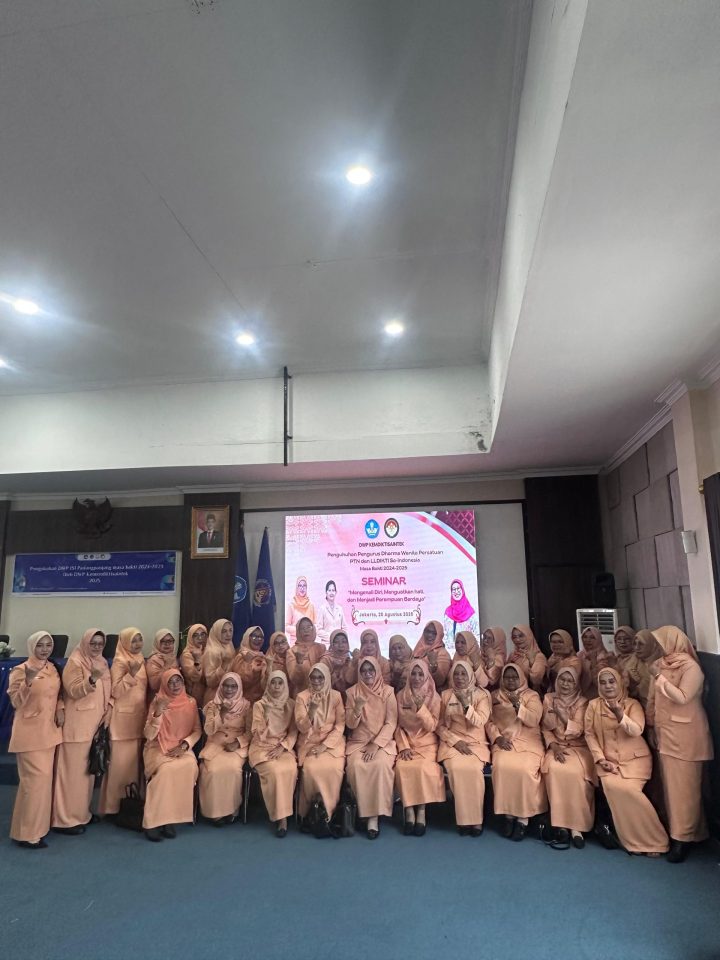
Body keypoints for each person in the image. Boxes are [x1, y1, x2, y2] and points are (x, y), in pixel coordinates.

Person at [584, 667, 668, 857]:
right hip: (608, 762)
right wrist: (600, 759)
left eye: (611, 682)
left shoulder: (632, 704)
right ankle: (633, 841)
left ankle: (657, 841)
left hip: (635, 761)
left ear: (620, 683)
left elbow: (636, 730)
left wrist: (620, 714)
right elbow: (589, 734)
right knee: (614, 787)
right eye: (603, 683)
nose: (607, 686)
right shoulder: (593, 705)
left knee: (630, 791)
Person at [647, 625, 714, 863]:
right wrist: (651, 725)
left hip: (687, 738)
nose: (658, 648)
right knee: (672, 789)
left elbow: (683, 697)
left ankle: (682, 839)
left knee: (686, 790)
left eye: (661, 643)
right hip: (665, 735)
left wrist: (659, 677)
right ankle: (690, 832)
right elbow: (652, 699)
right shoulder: (660, 664)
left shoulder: (691, 668)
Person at [52, 629, 111, 835]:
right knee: (71, 776)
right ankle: (64, 820)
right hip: (76, 726)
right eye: (93, 643)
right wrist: (92, 680)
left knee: (86, 776)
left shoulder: (102, 662)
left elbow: (108, 690)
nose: (96, 647)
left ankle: (81, 814)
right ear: (85, 643)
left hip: (93, 725)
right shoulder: (75, 662)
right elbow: (73, 690)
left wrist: (107, 711)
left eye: (100, 644)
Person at [8, 632, 64, 848]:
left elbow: (57, 694)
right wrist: (28, 681)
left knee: (43, 784)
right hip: (30, 735)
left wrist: (60, 708)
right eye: (40, 645)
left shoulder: (52, 668)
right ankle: (26, 833)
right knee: (33, 784)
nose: (45, 649)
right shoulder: (20, 670)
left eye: (48, 645)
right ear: (32, 646)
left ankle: (39, 828)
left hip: (49, 733)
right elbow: (16, 702)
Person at [489, 663, 547, 841]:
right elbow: (488, 722)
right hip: (504, 741)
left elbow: (533, 719)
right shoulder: (495, 695)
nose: (511, 681)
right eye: (507, 677)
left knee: (524, 770)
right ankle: (508, 816)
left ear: (521, 678)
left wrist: (517, 705)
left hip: (529, 741)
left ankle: (523, 819)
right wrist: (497, 737)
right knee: (501, 766)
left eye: (515, 677)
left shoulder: (531, 695)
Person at [143, 668, 201, 841]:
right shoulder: (158, 701)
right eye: (171, 682)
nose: (175, 685)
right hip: (157, 747)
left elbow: (197, 730)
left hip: (181, 747)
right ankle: (153, 822)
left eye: (178, 681)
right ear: (164, 684)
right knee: (166, 771)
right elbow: (149, 735)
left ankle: (170, 819)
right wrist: (158, 713)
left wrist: (185, 745)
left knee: (189, 765)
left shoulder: (190, 702)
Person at [541, 665, 596, 847]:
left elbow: (578, 730)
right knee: (554, 769)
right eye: (562, 680)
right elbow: (545, 728)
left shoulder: (583, 702)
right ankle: (561, 826)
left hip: (579, 748)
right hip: (556, 746)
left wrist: (561, 714)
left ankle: (577, 827)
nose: (565, 684)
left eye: (570, 681)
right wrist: (554, 747)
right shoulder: (549, 698)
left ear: (576, 683)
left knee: (575, 774)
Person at [345, 656, 398, 839]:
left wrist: (376, 744)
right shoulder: (352, 692)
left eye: (371, 670)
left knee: (381, 765)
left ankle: (373, 817)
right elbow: (350, 724)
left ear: (377, 671)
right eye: (364, 671)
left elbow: (391, 722)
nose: (367, 674)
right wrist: (357, 709)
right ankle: (361, 811)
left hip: (382, 742)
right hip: (358, 742)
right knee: (356, 766)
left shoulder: (388, 691)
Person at [437, 660, 491, 836]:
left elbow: (480, 721)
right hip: (452, 743)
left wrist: (467, 705)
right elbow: (439, 726)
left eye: (463, 674)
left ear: (470, 676)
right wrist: (455, 741)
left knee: (473, 769)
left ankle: (477, 820)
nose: (459, 678)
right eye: (456, 674)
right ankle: (464, 820)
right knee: (456, 768)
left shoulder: (482, 695)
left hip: (476, 744)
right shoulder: (445, 695)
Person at [99, 627, 147, 817]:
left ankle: (130, 806)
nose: (137, 644)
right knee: (119, 768)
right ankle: (112, 808)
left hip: (138, 719)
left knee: (132, 768)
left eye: (139, 640)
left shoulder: (140, 658)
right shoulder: (120, 661)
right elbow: (116, 691)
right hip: (122, 721)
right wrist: (131, 675)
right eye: (133, 640)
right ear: (125, 642)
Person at [394, 659, 445, 835]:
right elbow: (397, 726)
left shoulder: (434, 697)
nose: (416, 678)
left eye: (420, 674)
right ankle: (409, 810)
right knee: (402, 767)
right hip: (407, 743)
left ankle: (421, 811)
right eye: (413, 674)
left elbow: (432, 726)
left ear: (426, 676)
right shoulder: (400, 696)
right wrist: (403, 746)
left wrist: (421, 708)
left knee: (422, 768)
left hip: (427, 744)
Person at [249, 671, 298, 837]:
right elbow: (257, 734)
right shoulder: (259, 705)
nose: (276, 687)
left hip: (282, 747)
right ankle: (281, 818)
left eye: (280, 683)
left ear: (285, 685)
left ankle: (284, 812)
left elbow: (293, 731)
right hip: (261, 747)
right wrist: (266, 715)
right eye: (273, 683)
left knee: (290, 768)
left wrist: (283, 747)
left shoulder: (291, 704)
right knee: (275, 771)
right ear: (268, 685)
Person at [295, 663, 346, 820]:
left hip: (332, 743)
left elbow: (340, 725)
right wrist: (311, 712)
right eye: (313, 677)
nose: (316, 681)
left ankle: (329, 813)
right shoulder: (302, 697)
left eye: (320, 677)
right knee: (311, 769)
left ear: (327, 678)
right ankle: (310, 814)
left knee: (334, 769)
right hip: (309, 742)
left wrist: (325, 745)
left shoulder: (336, 696)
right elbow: (301, 728)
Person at [199, 672, 250, 825]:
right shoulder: (212, 705)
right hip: (215, 744)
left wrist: (238, 743)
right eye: (226, 686)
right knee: (212, 770)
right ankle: (214, 813)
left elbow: (251, 732)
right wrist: (221, 713)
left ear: (239, 688)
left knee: (233, 769)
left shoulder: (247, 706)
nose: (229, 689)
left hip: (236, 746)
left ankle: (231, 810)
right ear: (221, 686)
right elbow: (208, 730)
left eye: (233, 686)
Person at [287, 617, 326, 696]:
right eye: (302, 628)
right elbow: (294, 679)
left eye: (309, 627)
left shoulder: (321, 648)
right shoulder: (292, 651)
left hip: (321, 694)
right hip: (301, 695)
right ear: (298, 631)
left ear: (313, 629)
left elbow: (326, 673)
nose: (306, 630)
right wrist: (299, 663)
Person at [202, 618, 236, 705]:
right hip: (215, 696)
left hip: (230, 693)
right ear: (217, 632)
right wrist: (223, 666)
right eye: (224, 631)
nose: (228, 634)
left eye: (230, 630)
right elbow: (210, 682)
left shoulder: (229, 645)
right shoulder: (212, 651)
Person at [230, 626, 268, 705]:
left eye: (260, 637)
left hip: (260, 701)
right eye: (254, 637)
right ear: (247, 638)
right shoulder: (241, 656)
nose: (258, 640)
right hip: (244, 701)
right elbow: (241, 682)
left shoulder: (263, 657)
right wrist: (248, 663)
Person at [578, 626, 616, 698]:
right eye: (585, 637)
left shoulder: (605, 657)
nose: (588, 640)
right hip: (580, 696)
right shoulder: (580, 655)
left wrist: (593, 661)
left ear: (598, 640)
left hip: (599, 697)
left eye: (592, 637)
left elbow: (600, 681)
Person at [412, 620, 451, 689]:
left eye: (434, 633)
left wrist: (433, 664)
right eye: (427, 631)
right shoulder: (418, 648)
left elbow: (440, 681)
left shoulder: (442, 653)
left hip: (431, 692)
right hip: (413, 689)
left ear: (440, 635)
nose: (429, 635)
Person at [508, 625, 547, 692]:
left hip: (532, 694)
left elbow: (536, 681)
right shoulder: (513, 655)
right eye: (514, 637)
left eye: (521, 636)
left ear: (529, 636)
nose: (517, 640)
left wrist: (532, 662)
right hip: (513, 693)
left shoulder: (538, 656)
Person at [442, 579, 480, 646]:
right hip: (450, 651)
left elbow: (477, 637)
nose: (456, 592)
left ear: (462, 590)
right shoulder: (448, 612)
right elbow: (445, 636)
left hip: (467, 651)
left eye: (458, 588)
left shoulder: (471, 613)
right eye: (453, 589)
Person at [179, 623, 208, 707]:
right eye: (195, 635)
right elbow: (194, 677)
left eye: (203, 634)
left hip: (207, 692)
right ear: (190, 638)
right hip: (195, 694)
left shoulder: (209, 650)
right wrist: (197, 659)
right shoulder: (187, 654)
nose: (200, 638)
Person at [626, 628, 656, 708]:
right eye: (635, 644)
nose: (637, 648)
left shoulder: (662, 663)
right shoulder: (634, 661)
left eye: (641, 644)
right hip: (639, 707)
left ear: (650, 644)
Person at [145, 629, 179, 695]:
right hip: (159, 697)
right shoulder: (153, 660)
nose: (167, 644)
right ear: (157, 643)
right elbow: (154, 685)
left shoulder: (172, 657)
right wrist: (167, 665)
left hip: (174, 695)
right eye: (163, 641)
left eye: (170, 641)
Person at [322, 629, 353, 697]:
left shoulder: (351, 658)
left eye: (343, 641)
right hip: (330, 696)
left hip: (349, 696)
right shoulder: (326, 659)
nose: (340, 645)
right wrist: (335, 670)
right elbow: (320, 680)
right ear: (332, 644)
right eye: (336, 642)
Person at [286, 576, 316, 640]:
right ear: (297, 587)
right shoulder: (292, 604)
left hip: (309, 640)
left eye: (304, 586)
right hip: (295, 640)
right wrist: (300, 630)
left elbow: (315, 625)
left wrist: (309, 630)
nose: (302, 588)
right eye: (300, 586)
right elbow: (287, 626)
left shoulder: (311, 605)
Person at [613, 626, 639, 696]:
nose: (622, 642)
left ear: (634, 640)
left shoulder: (638, 658)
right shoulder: (615, 658)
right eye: (619, 639)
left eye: (627, 639)